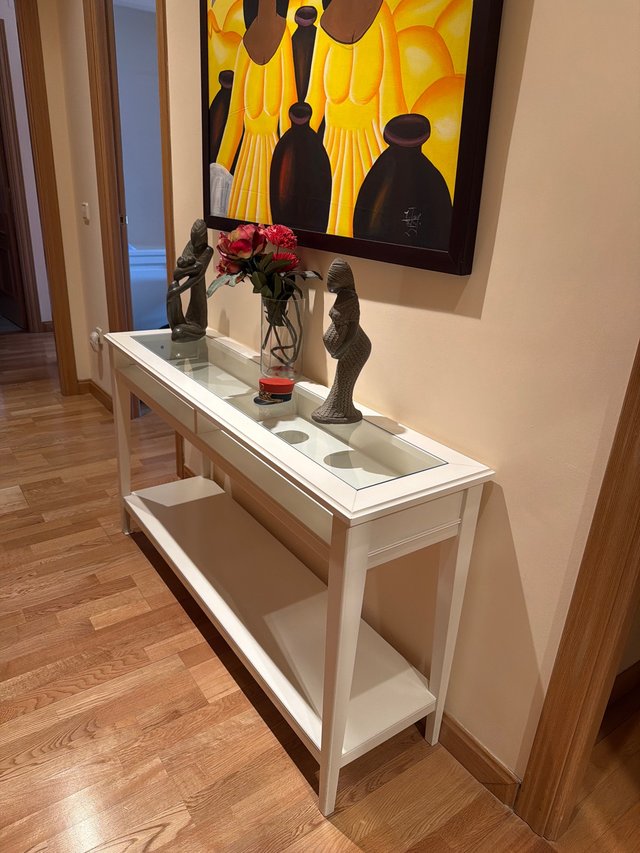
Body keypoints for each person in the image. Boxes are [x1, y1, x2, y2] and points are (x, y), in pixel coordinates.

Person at [305, 0, 406, 237]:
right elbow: (314, 100)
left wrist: (397, 169)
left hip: (371, 152)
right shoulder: (326, 24)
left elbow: (392, 102)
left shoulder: (381, 16)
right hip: (331, 152)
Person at [212, 0, 297, 222]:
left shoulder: (283, 37)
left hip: (273, 154)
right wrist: (220, 169)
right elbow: (234, 118)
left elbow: (288, 109)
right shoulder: (245, 45)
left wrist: (291, 164)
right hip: (246, 164)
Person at [166, 220, 213, 342]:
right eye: (193, 241)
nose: (195, 246)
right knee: (172, 286)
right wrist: (194, 267)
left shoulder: (208, 251)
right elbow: (177, 274)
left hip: (199, 325)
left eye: (198, 243)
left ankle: (188, 329)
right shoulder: (190, 246)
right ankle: (180, 324)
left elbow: (198, 276)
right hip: (188, 319)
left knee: (177, 333)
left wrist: (178, 290)